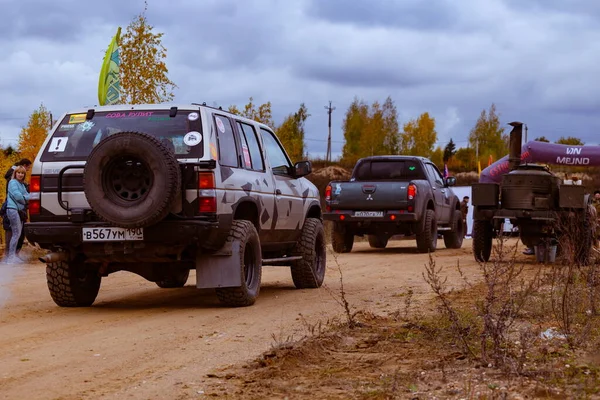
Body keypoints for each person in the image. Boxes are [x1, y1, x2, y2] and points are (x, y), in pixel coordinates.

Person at [3, 158, 31, 255]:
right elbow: (18, 196)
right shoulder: (13, 182)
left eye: (22, 173)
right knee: (15, 233)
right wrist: (25, 199)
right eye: (19, 173)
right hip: (12, 208)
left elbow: (28, 195)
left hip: (17, 208)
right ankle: (10, 256)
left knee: (17, 233)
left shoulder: (22, 184)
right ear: (15, 173)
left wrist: (25, 197)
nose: (21, 174)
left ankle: (13, 255)